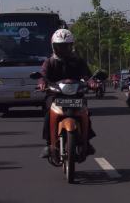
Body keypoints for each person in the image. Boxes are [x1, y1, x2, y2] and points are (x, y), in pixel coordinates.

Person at [38, 28, 96, 158]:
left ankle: (86, 141)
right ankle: (49, 144)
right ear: (54, 46)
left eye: (66, 46)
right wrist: (42, 83)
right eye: (60, 47)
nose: (63, 50)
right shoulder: (49, 62)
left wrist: (92, 82)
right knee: (48, 114)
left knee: (85, 112)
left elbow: (87, 75)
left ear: (71, 46)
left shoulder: (78, 61)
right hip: (55, 95)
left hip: (76, 94)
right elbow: (43, 75)